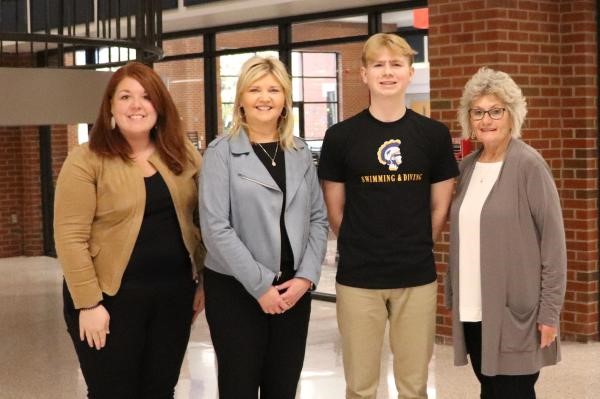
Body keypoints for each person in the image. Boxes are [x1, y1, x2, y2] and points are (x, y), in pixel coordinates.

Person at [318, 33, 459, 399]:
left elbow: (439, 207)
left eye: (396, 64)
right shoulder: (340, 137)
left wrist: (413, 243)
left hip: (416, 276)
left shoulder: (433, 135)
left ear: (410, 73)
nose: (387, 72)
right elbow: (336, 212)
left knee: (414, 386)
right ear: (363, 74)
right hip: (358, 279)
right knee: (361, 387)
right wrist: (365, 244)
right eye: (378, 64)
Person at [54, 62, 205, 399]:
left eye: (146, 97)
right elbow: (70, 237)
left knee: (160, 390)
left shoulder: (182, 155)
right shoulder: (86, 159)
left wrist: (204, 281)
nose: (136, 105)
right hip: (108, 300)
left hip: (173, 298)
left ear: (160, 106)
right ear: (110, 106)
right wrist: (88, 304)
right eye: (125, 96)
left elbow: (202, 222)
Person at [199, 56, 328, 399]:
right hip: (236, 291)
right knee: (238, 386)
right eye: (255, 89)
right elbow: (215, 228)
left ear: (285, 99)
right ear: (240, 98)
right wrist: (260, 286)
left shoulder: (299, 151)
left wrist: (306, 277)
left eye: (274, 89)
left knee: (283, 387)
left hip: (293, 290)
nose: (264, 97)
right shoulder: (220, 153)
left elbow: (318, 218)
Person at [447, 67, 567, 399]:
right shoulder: (467, 167)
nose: (486, 119)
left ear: (512, 115)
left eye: (496, 110)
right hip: (473, 309)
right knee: (491, 391)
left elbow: (554, 247)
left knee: (512, 392)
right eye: (478, 111)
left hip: (517, 314)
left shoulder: (530, 166)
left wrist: (549, 313)